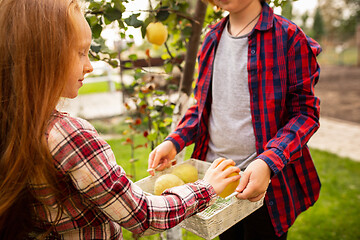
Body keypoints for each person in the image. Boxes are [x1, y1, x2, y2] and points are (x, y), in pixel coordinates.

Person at [0, 0, 241, 239]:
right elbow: (143, 216)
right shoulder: (70, 136)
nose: (90, 66)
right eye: (81, 53)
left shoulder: (15, 124)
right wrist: (207, 188)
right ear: (43, 58)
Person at [148, 0, 322, 239]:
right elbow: (202, 105)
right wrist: (174, 141)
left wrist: (267, 162)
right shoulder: (211, 39)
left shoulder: (288, 37)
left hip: (263, 185)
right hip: (217, 181)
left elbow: (305, 114)